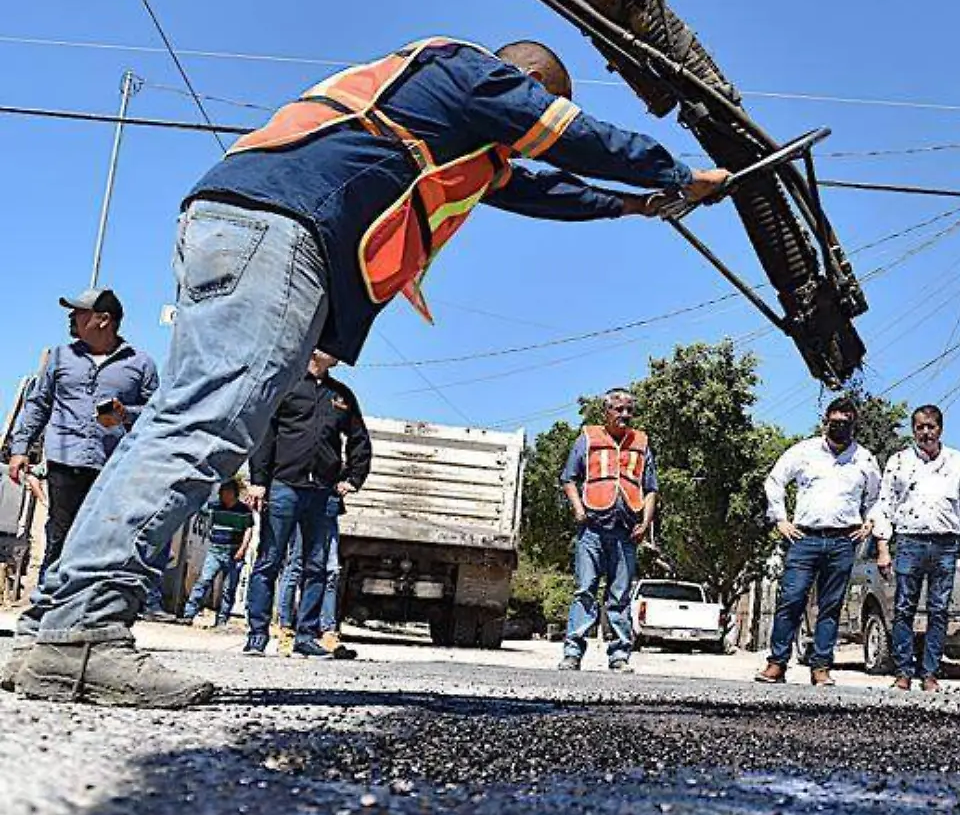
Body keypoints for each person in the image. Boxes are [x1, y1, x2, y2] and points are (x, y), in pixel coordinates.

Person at [2, 37, 725, 707]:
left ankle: (47, 628)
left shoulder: (442, 126)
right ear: (525, 84)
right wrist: (676, 172)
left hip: (234, 220)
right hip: (283, 230)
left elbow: (540, 189)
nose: (525, 125)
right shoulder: (470, 71)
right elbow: (572, 137)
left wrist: (632, 205)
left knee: (176, 420)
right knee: (205, 425)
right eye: (532, 105)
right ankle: (84, 633)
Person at [5, 289, 158, 585]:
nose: (71, 317)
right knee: (59, 534)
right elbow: (39, 403)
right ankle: (47, 603)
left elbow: (157, 414)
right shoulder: (60, 357)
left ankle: (81, 606)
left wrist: (126, 414)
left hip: (112, 468)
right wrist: (20, 448)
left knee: (99, 542)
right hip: (65, 460)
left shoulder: (141, 364)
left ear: (104, 320)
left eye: (79, 312)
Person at [242, 350, 371, 661]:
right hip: (284, 487)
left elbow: (359, 439)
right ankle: (257, 635)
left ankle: (305, 636)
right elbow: (264, 435)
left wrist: (353, 478)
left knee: (316, 568)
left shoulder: (341, 395)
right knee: (269, 561)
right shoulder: (285, 386)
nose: (340, 351)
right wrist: (259, 480)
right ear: (315, 350)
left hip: (322, 492)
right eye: (332, 346)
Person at [760, 398, 882, 686]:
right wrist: (780, 519)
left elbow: (877, 496)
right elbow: (774, 481)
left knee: (831, 605)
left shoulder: (864, 459)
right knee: (791, 598)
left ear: (854, 425)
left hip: (843, 541)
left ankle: (821, 667)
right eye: (835, 421)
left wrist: (869, 522)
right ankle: (777, 663)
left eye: (846, 422)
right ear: (825, 421)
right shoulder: (803, 452)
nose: (839, 426)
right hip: (804, 538)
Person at [872, 405, 960, 692]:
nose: (925, 432)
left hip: (946, 544)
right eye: (919, 427)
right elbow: (885, 505)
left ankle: (930, 673)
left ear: (940, 429)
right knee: (904, 608)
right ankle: (904, 672)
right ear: (913, 431)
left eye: (930, 426)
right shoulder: (899, 461)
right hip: (909, 541)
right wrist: (883, 547)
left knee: (939, 610)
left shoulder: (957, 461)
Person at [558, 388, 657, 672]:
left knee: (620, 595)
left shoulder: (642, 442)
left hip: (626, 532)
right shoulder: (587, 438)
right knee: (585, 591)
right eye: (619, 409)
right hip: (592, 529)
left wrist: (645, 524)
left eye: (629, 410)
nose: (624, 414)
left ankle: (619, 656)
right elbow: (569, 478)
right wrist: (578, 509)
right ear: (606, 412)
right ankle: (573, 653)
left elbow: (651, 489)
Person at [180, 480, 254, 628]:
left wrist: (243, 549)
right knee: (204, 581)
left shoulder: (244, 510)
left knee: (229, 588)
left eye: (226, 492)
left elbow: (248, 529)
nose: (223, 495)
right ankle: (188, 614)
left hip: (234, 553)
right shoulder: (214, 507)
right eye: (221, 492)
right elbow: (199, 510)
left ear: (234, 494)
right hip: (215, 551)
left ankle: (222, 620)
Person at [274, 507, 343, 654]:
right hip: (305, 507)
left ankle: (327, 632)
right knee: (295, 567)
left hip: (329, 510)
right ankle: (285, 629)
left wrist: (351, 483)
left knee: (331, 571)